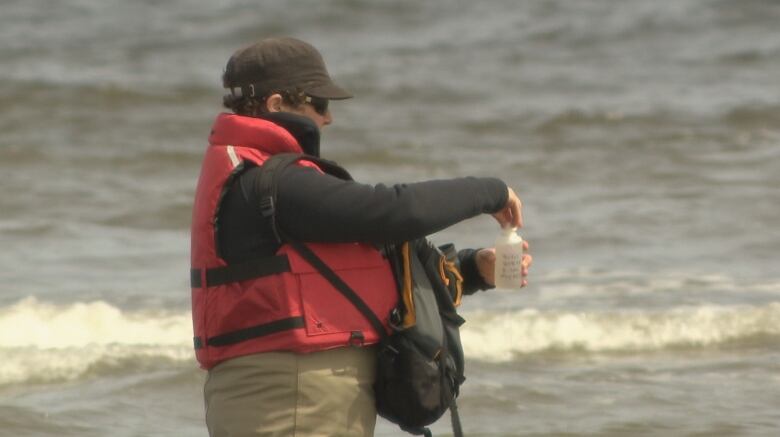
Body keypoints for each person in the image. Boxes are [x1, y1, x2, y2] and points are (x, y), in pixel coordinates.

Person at [190, 37, 533, 437]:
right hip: (290, 400)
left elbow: (364, 272)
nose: (328, 117)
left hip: (300, 397)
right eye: (319, 103)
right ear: (276, 105)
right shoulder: (267, 184)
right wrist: (489, 191)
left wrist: (473, 270)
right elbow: (393, 212)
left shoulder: (270, 182)